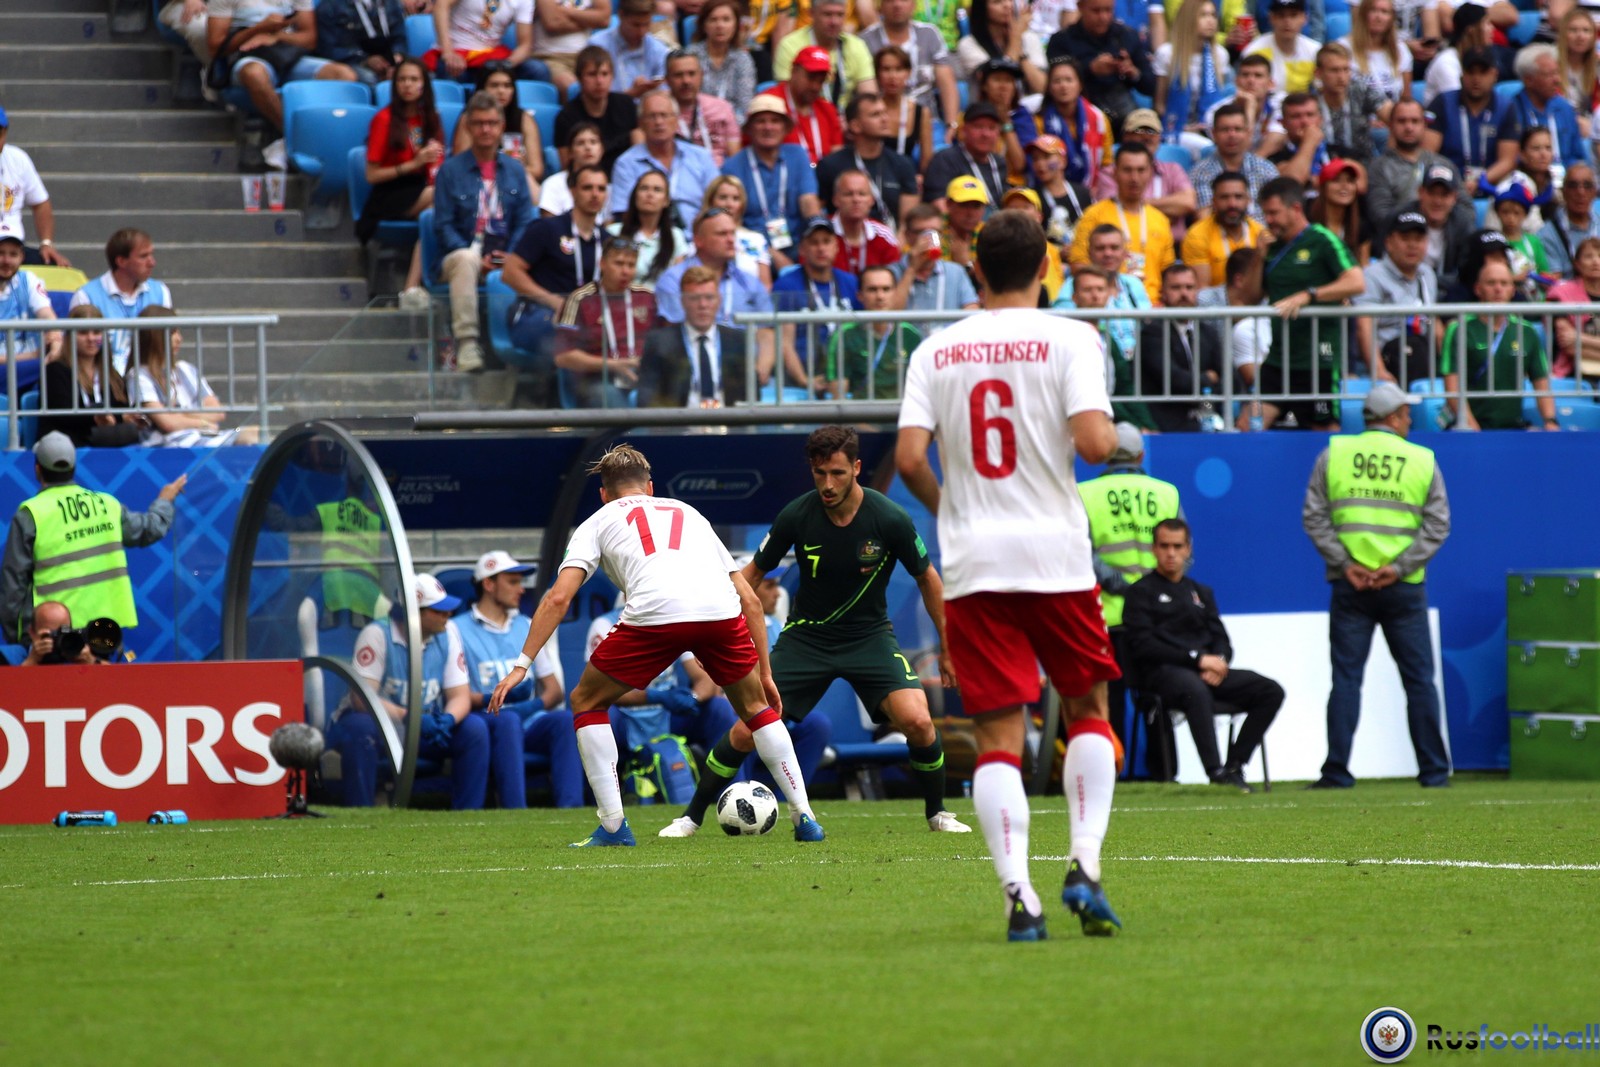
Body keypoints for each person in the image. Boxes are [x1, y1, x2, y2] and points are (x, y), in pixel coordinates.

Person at [896, 209, 1124, 942]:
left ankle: (1019, 897)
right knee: (1088, 708)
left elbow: (908, 459)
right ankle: (1084, 864)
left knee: (998, 733)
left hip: (975, 562)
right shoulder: (1072, 337)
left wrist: (952, 509)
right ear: (1047, 268)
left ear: (976, 270)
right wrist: (1113, 431)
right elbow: (1095, 443)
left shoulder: (936, 349)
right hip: (1056, 557)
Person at [488, 444, 825, 847]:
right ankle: (805, 818)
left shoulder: (597, 521)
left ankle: (613, 827)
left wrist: (522, 665)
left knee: (586, 700)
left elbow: (558, 598)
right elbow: (750, 600)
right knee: (757, 709)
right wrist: (765, 674)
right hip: (719, 612)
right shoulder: (690, 513)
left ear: (604, 493)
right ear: (650, 487)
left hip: (655, 613)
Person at [660, 426, 969, 838]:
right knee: (746, 730)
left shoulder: (889, 518)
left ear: (856, 468)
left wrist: (948, 647)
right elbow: (750, 576)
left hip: (870, 638)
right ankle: (690, 818)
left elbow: (928, 578)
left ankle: (938, 814)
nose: (828, 484)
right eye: (820, 473)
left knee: (918, 721)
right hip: (806, 640)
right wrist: (707, 628)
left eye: (837, 473)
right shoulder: (796, 515)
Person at [1301, 381, 1451, 789]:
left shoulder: (1334, 454)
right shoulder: (1421, 459)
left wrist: (1346, 564)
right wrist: (1398, 568)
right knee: (1419, 681)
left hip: (1350, 585)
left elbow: (1314, 517)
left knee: (1346, 680)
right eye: (1407, 414)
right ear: (1394, 417)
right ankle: (1434, 773)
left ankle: (1336, 771)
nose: (1410, 421)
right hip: (1403, 588)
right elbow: (1438, 525)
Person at [1122, 518, 1284, 791]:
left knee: (1270, 691)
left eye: (1177, 546)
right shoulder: (1140, 592)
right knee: (1194, 689)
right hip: (1163, 674)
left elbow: (1221, 639)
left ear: (1188, 549)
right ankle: (1215, 771)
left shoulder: (1200, 592)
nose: (1171, 553)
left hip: (1206, 673)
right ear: (1154, 549)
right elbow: (1143, 645)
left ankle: (1235, 766)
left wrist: (1219, 662)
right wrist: (1197, 659)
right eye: (1164, 546)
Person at [0, 431, 184, 644]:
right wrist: (164, 500)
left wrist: (18, 637)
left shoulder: (32, 513)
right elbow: (150, 529)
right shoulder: (107, 505)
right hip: (105, 632)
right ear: (73, 467)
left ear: (37, 469)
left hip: (55, 635)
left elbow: (13, 584)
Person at [337, 574, 498, 808]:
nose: (447, 615)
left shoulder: (448, 632)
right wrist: (411, 718)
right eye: (438, 611)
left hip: (426, 727)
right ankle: (361, 809)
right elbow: (362, 699)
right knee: (361, 727)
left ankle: (468, 813)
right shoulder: (377, 634)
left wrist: (448, 719)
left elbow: (459, 695)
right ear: (413, 614)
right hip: (385, 728)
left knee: (474, 729)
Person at [1076, 423, 1181, 761]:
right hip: (1158, 615)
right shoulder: (1166, 493)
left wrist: (1125, 587)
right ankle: (1166, 769)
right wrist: (1149, 591)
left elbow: (1082, 553)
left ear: (1106, 454)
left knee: (1111, 697)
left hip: (1108, 615)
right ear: (1140, 455)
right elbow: (1181, 551)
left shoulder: (1084, 493)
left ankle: (1113, 770)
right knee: (1158, 693)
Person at [455, 550, 583, 808]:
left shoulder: (526, 624)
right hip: (486, 718)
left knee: (565, 721)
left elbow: (554, 690)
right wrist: (495, 700)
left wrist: (532, 706)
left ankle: (572, 808)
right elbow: (456, 695)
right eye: (512, 582)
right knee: (508, 721)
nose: (521, 589)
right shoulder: (456, 629)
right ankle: (516, 809)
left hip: (527, 720)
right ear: (489, 584)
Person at [1238, 176, 1365, 431]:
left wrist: (1310, 295)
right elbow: (1248, 298)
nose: (1268, 220)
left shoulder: (1322, 240)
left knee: (1323, 430)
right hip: (1279, 358)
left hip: (1319, 359)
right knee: (1247, 426)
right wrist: (1259, 257)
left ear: (1295, 208)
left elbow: (1356, 282)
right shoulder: (1271, 247)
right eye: (1265, 214)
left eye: (1274, 213)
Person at [435, 92, 537, 372]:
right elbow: (443, 226)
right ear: (468, 126)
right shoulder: (450, 171)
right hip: (462, 253)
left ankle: (525, 343)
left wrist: (510, 257)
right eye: (479, 123)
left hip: (506, 251)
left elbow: (524, 222)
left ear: (502, 127)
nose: (485, 129)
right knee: (466, 259)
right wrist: (476, 257)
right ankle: (467, 343)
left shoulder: (515, 170)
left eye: (492, 123)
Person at [206, 0, 358, 162]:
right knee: (254, 74)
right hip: (249, 58)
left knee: (344, 75)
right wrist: (257, 29)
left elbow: (310, 39)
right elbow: (215, 48)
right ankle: (299, 139)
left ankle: (336, 140)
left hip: (287, 55)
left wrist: (277, 36)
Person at [502, 164, 607, 363]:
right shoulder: (547, 229)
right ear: (572, 191)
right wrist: (555, 302)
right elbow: (510, 273)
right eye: (587, 188)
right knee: (571, 335)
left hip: (583, 320)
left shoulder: (606, 240)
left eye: (601, 189)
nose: (595, 194)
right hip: (536, 315)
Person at [1440, 259, 1559, 430]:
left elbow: (1541, 382)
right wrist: (1473, 429)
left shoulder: (1527, 331)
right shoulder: (1459, 329)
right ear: (1478, 289)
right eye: (1491, 283)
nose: (1498, 288)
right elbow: (1453, 389)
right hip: (1468, 428)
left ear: (1513, 290)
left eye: (1504, 283)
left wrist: (1550, 421)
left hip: (1514, 428)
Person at [358, 59, 444, 291]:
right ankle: (429, 281)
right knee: (442, 198)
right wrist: (414, 163)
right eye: (402, 79)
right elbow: (371, 175)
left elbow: (437, 160)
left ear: (424, 85)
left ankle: (411, 288)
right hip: (389, 193)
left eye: (414, 79)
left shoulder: (431, 118)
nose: (407, 85)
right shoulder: (384, 119)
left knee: (434, 216)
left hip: (421, 187)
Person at [128, 307, 261, 447]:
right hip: (171, 444)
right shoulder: (139, 375)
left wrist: (180, 416)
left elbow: (218, 412)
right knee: (247, 437)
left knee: (254, 431)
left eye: (178, 332)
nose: (179, 339)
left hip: (204, 437)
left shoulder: (186, 369)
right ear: (153, 337)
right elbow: (168, 423)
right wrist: (203, 423)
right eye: (172, 333)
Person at [720, 96, 824, 268]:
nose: (768, 127)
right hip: (750, 249)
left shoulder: (797, 155)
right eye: (761, 121)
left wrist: (816, 235)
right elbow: (729, 218)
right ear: (750, 128)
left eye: (775, 121)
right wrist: (770, 254)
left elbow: (808, 201)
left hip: (798, 243)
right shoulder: (732, 166)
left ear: (785, 128)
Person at [551, 236, 654, 407]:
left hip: (641, 375)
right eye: (619, 264)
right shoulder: (581, 299)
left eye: (631, 265)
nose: (625, 271)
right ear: (602, 264)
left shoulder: (646, 297)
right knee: (607, 395)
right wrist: (613, 365)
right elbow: (562, 357)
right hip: (597, 378)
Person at [1067, 143, 1175, 304]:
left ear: (1150, 173)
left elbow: (1168, 273)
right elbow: (1079, 266)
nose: (1134, 178)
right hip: (1109, 306)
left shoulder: (1160, 219)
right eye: (1127, 170)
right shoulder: (1093, 215)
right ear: (1115, 173)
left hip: (1153, 308)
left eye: (1141, 170)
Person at [770, 216, 862, 395]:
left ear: (836, 247)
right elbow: (784, 342)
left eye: (826, 242)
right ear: (802, 249)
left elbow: (862, 333)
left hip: (847, 379)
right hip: (799, 383)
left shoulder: (851, 282)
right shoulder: (785, 285)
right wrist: (804, 380)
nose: (821, 248)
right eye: (814, 242)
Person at [637, 264, 749, 406]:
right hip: (680, 417)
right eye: (694, 298)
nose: (703, 305)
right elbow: (647, 395)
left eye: (709, 297)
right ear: (683, 301)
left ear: (719, 300)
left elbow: (752, 393)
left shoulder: (737, 341)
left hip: (728, 417)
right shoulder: (660, 342)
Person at [69, 229, 174, 375]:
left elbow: (168, 341)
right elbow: (78, 348)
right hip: (104, 379)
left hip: (149, 377)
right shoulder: (86, 296)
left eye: (151, 255)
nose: (152, 262)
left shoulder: (161, 291)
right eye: (143, 256)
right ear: (121, 261)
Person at [607, 90, 718, 226]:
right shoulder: (626, 163)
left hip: (699, 235)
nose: (658, 122)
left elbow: (719, 203)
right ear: (640, 123)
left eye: (664, 115)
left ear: (676, 120)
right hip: (650, 235)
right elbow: (622, 214)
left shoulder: (701, 157)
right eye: (652, 116)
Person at [1487, 45, 1588, 193]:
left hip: (1566, 187)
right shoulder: (1510, 110)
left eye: (1557, 73)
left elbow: (1577, 156)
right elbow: (1509, 158)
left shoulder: (1565, 108)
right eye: (1549, 75)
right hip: (1525, 186)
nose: (1557, 80)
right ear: (1529, 80)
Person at [1138, 263, 1227, 431]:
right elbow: (1174, 380)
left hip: (1207, 413)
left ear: (1197, 291)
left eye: (1189, 287)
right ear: (1162, 293)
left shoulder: (1207, 331)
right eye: (1176, 288)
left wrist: (1206, 389)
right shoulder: (1152, 332)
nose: (1184, 294)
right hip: (1167, 420)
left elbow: (1230, 378)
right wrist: (1208, 379)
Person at [38, 306, 140, 449]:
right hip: (65, 446)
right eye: (83, 332)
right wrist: (98, 418)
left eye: (96, 332)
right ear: (70, 336)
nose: (91, 338)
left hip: (105, 441)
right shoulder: (55, 370)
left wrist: (128, 417)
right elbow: (62, 416)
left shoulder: (111, 373)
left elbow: (122, 408)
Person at [1046, 0, 1156, 131]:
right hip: (1078, 111)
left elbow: (1150, 86)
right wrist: (1090, 69)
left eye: (1108, 10)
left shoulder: (1127, 36)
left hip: (1122, 108)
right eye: (1096, 11)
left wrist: (1133, 72)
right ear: (1080, 7)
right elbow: (1054, 81)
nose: (1103, 17)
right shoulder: (1061, 41)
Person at [1355, 210, 1437, 384]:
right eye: (1405, 238)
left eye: (1418, 239)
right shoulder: (1371, 276)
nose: (1412, 245)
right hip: (1389, 358)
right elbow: (1364, 327)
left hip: (1422, 355)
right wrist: (1379, 371)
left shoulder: (1428, 274)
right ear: (1389, 242)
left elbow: (1433, 321)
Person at [1089, 108, 1196, 239]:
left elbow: (1188, 202)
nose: (1146, 136)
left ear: (1159, 137)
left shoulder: (1173, 169)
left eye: (1152, 131)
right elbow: (1111, 211)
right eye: (1139, 131)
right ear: (1126, 136)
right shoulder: (1111, 172)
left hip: (1172, 244)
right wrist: (1168, 209)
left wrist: (1135, 204)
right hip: (1124, 244)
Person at [817, 94, 920, 228]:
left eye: (885, 113)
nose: (885, 119)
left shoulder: (903, 164)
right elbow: (817, 212)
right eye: (875, 115)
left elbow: (907, 223)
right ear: (855, 126)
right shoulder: (830, 165)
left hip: (892, 238)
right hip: (843, 238)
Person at [860, 0, 962, 134]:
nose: (897, 5)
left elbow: (947, 82)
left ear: (914, 5)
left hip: (929, 121)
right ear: (880, 6)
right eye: (890, 1)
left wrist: (951, 124)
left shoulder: (929, 34)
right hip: (885, 123)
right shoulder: (864, 40)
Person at [1056, 223, 1152, 361]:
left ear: (1125, 253)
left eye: (1114, 248)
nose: (1108, 253)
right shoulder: (1072, 285)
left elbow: (1148, 324)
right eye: (1100, 248)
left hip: (1138, 363)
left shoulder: (1133, 284)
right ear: (1089, 252)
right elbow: (1064, 330)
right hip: (1095, 361)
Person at [1369, 103, 1459, 243]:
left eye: (1415, 121)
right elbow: (1381, 215)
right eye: (1402, 121)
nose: (1409, 127)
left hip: (1443, 240)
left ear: (1425, 125)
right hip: (1401, 242)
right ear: (1390, 125)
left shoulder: (1444, 164)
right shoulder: (1379, 167)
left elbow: (1466, 208)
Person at [823, 264, 919, 397]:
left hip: (903, 410)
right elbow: (838, 397)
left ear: (895, 293)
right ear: (860, 295)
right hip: (860, 410)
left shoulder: (910, 334)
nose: (880, 296)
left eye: (886, 289)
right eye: (872, 290)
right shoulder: (844, 335)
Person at [451, 63, 546, 190]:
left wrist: (517, 167)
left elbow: (536, 169)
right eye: (494, 85)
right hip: (476, 181)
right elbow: (460, 166)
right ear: (482, 89)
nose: (501, 91)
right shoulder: (468, 118)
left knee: (529, 182)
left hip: (514, 182)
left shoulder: (524, 119)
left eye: (507, 86)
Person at [1422, 47, 1501, 192]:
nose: (1476, 79)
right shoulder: (1442, 103)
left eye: (1483, 72)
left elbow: (1507, 160)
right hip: (1445, 186)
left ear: (1494, 74)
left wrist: (1479, 182)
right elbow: (1428, 153)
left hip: (1491, 185)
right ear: (1462, 74)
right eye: (1471, 72)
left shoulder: (1505, 107)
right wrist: (1453, 183)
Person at [1153, 0, 1228, 153]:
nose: (1210, 21)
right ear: (1188, 18)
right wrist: (1183, 127)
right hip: (1175, 129)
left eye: (1213, 15)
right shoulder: (1167, 54)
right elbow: (1160, 105)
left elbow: (1218, 102)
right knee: (1208, 149)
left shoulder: (1220, 55)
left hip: (1209, 130)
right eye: (1203, 15)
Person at [774, 0, 878, 107]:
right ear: (812, 13)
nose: (834, 22)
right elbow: (786, 97)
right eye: (827, 14)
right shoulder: (790, 46)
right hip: (805, 112)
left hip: (844, 115)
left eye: (840, 15)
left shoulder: (856, 46)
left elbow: (869, 97)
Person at [553, 47, 640, 174]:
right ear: (579, 78)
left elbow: (638, 152)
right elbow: (568, 166)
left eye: (604, 74)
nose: (599, 81)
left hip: (626, 175)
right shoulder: (566, 116)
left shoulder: (626, 105)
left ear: (612, 77)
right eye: (592, 74)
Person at [1189, 103, 1280, 224]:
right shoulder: (1200, 173)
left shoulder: (1266, 169)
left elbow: (1278, 212)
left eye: (1238, 129)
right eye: (1225, 130)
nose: (1232, 135)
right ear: (1213, 134)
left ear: (1248, 133)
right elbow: (1204, 219)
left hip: (1264, 233)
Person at [0, 110, 68, 267]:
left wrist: (46, 243)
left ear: (6, 133)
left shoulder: (18, 159)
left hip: (13, 244)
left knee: (55, 266)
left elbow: (40, 203)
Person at [890, 203, 983, 319]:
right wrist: (911, 269)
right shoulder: (891, 272)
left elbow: (972, 311)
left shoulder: (955, 272)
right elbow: (889, 317)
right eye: (920, 232)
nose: (928, 238)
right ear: (907, 236)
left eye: (934, 232)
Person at [0, 222, 61, 395]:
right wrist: (34, 355)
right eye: (1, 253)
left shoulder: (28, 279)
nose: (6, 261)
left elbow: (47, 315)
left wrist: (56, 342)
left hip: (31, 369)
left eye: (13, 254)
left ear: (22, 257)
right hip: (24, 363)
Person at [1035, 58, 1115, 189]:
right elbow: (1037, 162)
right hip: (1050, 189)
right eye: (1057, 81)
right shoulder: (1038, 121)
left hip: (1093, 191)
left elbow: (1106, 163)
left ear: (1080, 85)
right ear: (1049, 87)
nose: (1063, 86)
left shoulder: (1099, 119)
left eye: (1069, 80)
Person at [759, 45, 846, 165]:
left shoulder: (828, 109)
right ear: (794, 71)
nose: (815, 86)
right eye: (811, 78)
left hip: (823, 174)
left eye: (821, 80)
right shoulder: (768, 104)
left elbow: (837, 156)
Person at [429, 0, 548, 84]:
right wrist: (448, 52)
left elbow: (525, 45)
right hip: (457, 52)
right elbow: (441, 5)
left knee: (537, 70)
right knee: (450, 69)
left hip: (491, 59)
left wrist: (506, 65)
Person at [1181, 171, 1263, 288]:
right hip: (1215, 299)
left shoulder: (1260, 233)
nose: (1232, 204)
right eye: (1224, 197)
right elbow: (1202, 290)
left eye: (1238, 197)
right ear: (1213, 202)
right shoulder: (1197, 235)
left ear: (1248, 201)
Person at [1314, 42, 1390, 164]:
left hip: (1364, 165)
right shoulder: (1311, 103)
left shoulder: (1361, 91)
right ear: (1318, 73)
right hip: (1323, 167)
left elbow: (1394, 116)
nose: (1341, 77)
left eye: (1346, 70)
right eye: (1334, 70)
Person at [925, 102, 1010, 211]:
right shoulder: (945, 159)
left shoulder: (999, 162)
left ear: (998, 133)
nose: (985, 134)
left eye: (991, 128)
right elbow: (939, 203)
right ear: (964, 130)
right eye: (978, 127)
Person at [607, 170, 687, 284]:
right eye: (644, 188)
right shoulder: (613, 232)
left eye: (657, 190)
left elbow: (679, 280)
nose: (650, 194)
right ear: (635, 196)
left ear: (666, 200)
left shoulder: (676, 236)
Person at [1201, 53, 1286, 159]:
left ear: (1270, 84)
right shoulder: (1216, 111)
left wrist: (1254, 164)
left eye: (1258, 76)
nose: (1251, 81)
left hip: (1267, 159)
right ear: (1236, 81)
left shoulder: (1281, 103)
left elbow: (1278, 137)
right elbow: (1236, 148)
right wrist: (1249, 110)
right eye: (1245, 75)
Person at [666, 50, 739, 167]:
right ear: (667, 79)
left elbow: (735, 158)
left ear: (701, 75)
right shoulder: (658, 111)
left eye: (691, 74)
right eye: (678, 75)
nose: (686, 81)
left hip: (718, 173)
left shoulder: (722, 107)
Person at [687, 0, 757, 122]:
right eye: (713, 20)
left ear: (736, 25)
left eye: (726, 20)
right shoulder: (691, 56)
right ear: (704, 25)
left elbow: (745, 104)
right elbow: (687, 102)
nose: (720, 26)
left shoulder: (743, 59)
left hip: (734, 124)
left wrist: (729, 126)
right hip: (698, 122)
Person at [961, 0, 1048, 94]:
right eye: (997, 2)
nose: (1007, 5)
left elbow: (1042, 88)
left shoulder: (1029, 38)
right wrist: (1015, 39)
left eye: (1010, 0)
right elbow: (1002, 84)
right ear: (981, 8)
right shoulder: (969, 44)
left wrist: (1021, 54)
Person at [703, 175, 775, 285]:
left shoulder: (756, 240)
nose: (729, 204)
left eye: (736, 198)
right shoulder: (701, 240)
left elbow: (765, 287)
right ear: (711, 201)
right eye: (723, 197)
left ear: (742, 204)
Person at [531, 0, 613, 97]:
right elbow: (553, 22)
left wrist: (563, 10)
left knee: (604, 85)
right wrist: (589, 20)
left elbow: (604, 19)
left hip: (585, 57)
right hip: (551, 58)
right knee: (575, 90)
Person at [588, 0, 671, 96]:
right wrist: (631, 94)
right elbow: (594, 96)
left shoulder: (659, 49)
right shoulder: (598, 45)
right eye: (636, 25)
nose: (641, 31)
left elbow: (666, 92)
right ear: (621, 15)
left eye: (646, 24)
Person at [829, 170, 903, 276]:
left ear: (872, 200)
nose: (856, 199)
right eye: (848, 194)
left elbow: (894, 279)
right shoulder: (822, 232)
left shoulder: (884, 236)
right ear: (835, 200)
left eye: (862, 194)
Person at [315, 0, 407, 86]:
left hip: (387, 57)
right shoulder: (330, 7)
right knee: (369, 78)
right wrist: (365, 60)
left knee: (408, 73)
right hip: (351, 61)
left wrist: (396, 56)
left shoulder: (390, 3)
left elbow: (399, 36)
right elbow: (329, 49)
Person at [1547, 235, 1600, 379]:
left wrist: (1580, 338)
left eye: (1599, 256)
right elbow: (1569, 346)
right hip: (1573, 375)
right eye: (1588, 256)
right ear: (1577, 264)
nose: (1596, 261)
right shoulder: (1561, 294)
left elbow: (1574, 340)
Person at [1027, 136, 1093, 250]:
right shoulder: (1031, 198)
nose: (1040, 163)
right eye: (1035, 159)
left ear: (1063, 161)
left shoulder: (1083, 193)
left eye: (1046, 157)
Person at [876, 44, 937, 166]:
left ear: (908, 73)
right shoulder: (869, 110)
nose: (892, 76)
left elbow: (927, 159)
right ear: (877, 73)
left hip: (906, 175)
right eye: (886, 69)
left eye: (899, 69)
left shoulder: (921, 112)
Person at [1242, 0, 1319, 95]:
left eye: (1293, 15)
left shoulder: (1315, 51)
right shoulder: (1254, 51)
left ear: (1304, 18)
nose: (1287, 22)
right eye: (1281, 16)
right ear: (1271, 18)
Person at [1339, 0, 1411, 101]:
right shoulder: (1343, 48)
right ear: (1362, 14)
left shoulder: (1401, 49)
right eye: (1373, 10)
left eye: (1384, 12)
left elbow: (1406, 99)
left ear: (1392, 18)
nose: (1378, 17)